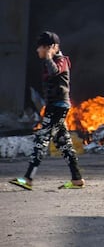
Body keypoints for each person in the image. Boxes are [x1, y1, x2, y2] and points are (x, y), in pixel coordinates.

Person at [9, 31, 84, 190]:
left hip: (58, 107)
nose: (38, 50)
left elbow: (54, 71)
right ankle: (77, 179)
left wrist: (50, 55)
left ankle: (28, 179)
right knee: (63, 142)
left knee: (41, 140)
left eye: (42, 47)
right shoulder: (50, 61)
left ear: (53, 47)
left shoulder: (61, 60)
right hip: (54, 107)